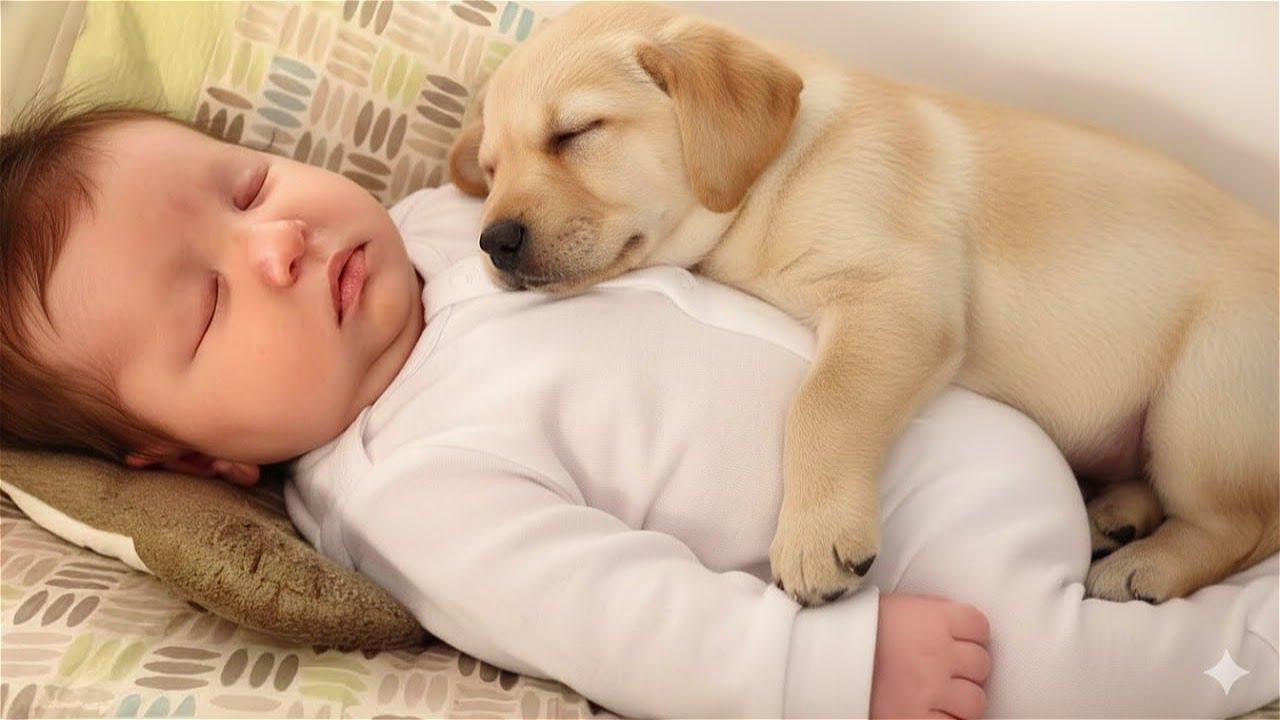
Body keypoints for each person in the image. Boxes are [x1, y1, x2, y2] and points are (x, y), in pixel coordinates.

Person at [1, 102, 1275, 719]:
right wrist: (827, 671)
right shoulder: (409, 487)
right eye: (207, 309)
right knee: (1047, 683)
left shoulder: (438, 227)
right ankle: (1248, 649)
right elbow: (619, 619)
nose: (274, 243)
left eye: (247, 183)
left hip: (941, 394)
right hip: (915, 557)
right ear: (186, 458)